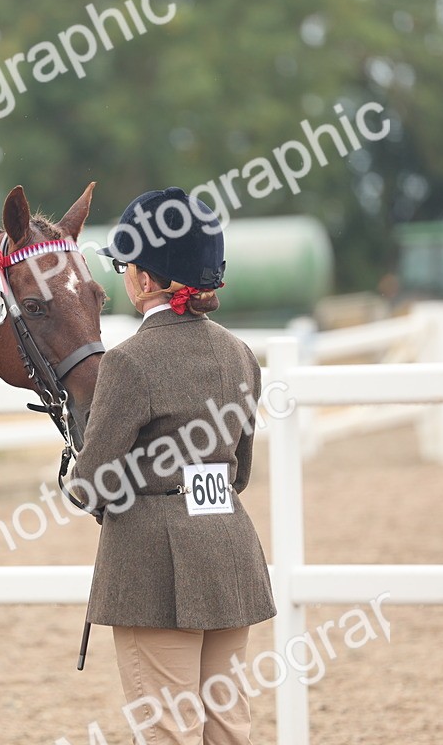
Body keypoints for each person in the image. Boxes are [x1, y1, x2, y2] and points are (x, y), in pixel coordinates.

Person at [74, 187, 275, 744]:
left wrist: (77, 462)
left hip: (153, 569)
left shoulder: (128, 363)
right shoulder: (239, 354)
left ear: (142, 277)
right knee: (229, 727)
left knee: (167, 729)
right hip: (229, 554)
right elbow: (239, 471)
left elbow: (93, 486)